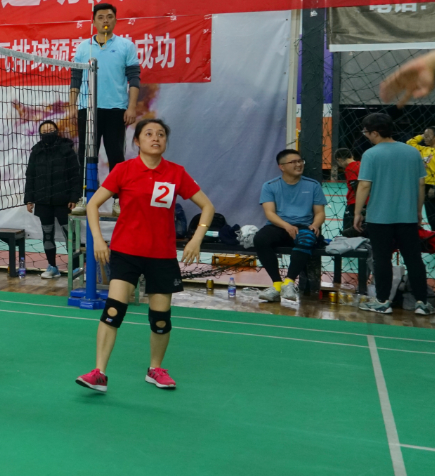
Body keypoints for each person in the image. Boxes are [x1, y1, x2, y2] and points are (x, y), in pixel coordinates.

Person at [75, 119, 215, 393]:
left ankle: (156, 369)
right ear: (137, 141)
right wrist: (98, 240)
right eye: (149, 134)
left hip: (161, 255)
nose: (156, 138)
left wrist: (197, 238)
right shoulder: (124, 170)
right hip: (126, 251)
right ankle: (99, 373)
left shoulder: (176, 173)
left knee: (161, 319)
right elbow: (93, 204)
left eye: (161, 134)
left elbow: (207, 207)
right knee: (113, 310)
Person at [355, 112, 432, 315]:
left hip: (379, 218)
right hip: (407, 217)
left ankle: (382, 301)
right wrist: (417, 211)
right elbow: (421, 184)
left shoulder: (371, 154)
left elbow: (364, 185)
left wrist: (357, 213)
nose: (366, 136)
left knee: (382, 259)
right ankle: (422, 303)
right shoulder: (412, 152)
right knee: (414, 259)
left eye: (366, 132)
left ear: (374, 132)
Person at [66, 2, 142, 189]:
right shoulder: (83, 47)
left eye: (109, 17)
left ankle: (117, 197)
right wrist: (72, 105)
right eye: (100, 18)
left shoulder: (126, 46)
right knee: (85, 155)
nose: (105, 21)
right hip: (87, 109)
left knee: (116, 155)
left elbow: (134, 78)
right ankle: (85, 195)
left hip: (116, 109)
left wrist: (132, 107)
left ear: (115, 20)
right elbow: (75, 78)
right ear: (93, 22)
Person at [246, 149, 327, 309]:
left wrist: (315, 224)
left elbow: (320, 213)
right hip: (280, 225)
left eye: (300, 161)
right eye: (293, 162)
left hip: (304, 226)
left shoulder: (313, 185)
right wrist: (286, 226)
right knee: (260, 239)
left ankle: (289, 282)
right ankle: (277, 285)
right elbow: (270, 213)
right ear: (282, 167)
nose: (299, 164)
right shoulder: (270, 186)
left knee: (307, 238)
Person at [25, 119, 80, 279]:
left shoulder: (67, 150)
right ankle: (52, 267)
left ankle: (76, 268)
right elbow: (30, 176)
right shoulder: (36, 152)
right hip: (43, 201)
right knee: (47, 234)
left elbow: (75, 175)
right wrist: (29, 199)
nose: (48, 133)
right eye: (44, 131)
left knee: (70, 234)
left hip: (64, 201)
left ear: (57, 132)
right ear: (40, 134)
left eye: (51, 130)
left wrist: (74, 197)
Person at [406, 128, 435, 228]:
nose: (425, 138)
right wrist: (422, 136)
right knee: (431, 214)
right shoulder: (423, 150)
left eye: (428, 136)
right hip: (425, 186)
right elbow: (409, 143)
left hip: (433, 186)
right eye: (424, 136)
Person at [335, 147, 359, 232]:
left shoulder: (349, 168)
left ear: (339, 160)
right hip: (366, 201)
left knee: (348, 227)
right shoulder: (360, 164)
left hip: (354, 202)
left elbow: (355, 186)